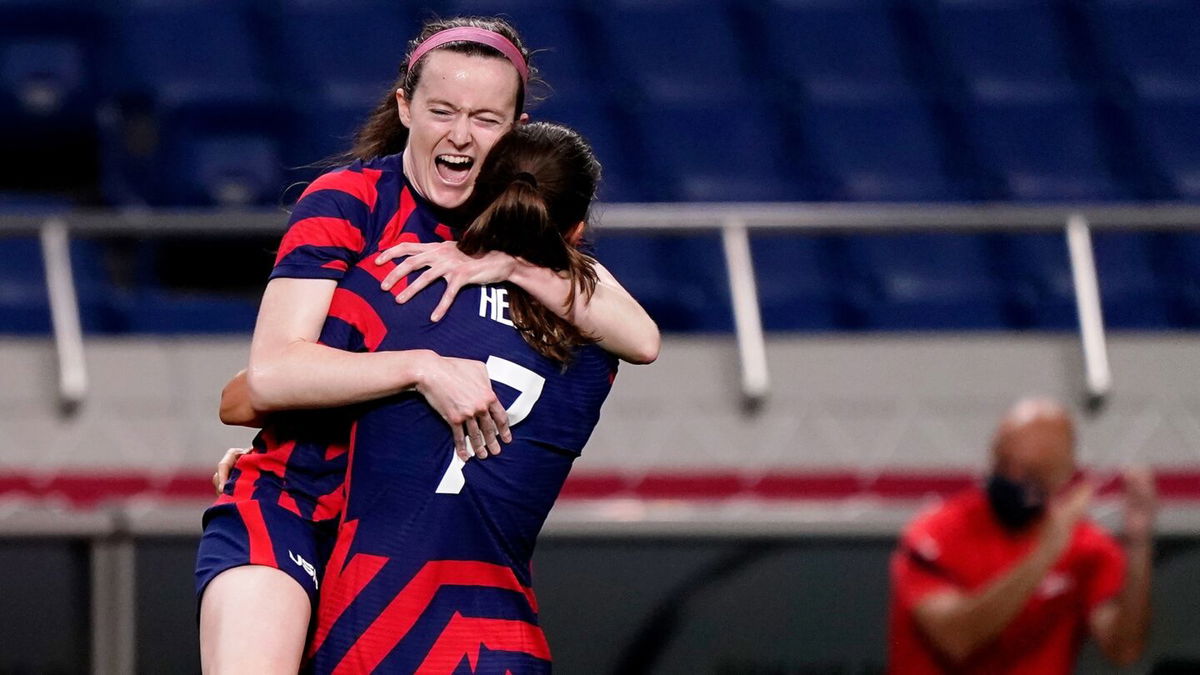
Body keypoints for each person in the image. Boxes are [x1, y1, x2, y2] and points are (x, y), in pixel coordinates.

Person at [195, 17, 659, 674]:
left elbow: (642, 336)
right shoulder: (351, 202)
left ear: (517, 127)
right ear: (405, 104)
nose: (462, 134)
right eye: (442, 109)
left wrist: (513, 266)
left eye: (487, 118)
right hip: (292, 504)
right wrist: (421, 368)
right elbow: (263, 381)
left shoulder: (521, 234)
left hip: (404, 529)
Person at [309, 120, 614, 673]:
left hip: (371, 631)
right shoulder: (596, 353)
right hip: (504, 646)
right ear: (577, 229)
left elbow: (253, 395)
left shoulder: (393, 285)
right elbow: (633, 328)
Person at [887, 397, 1156, 674]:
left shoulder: (1088, 547)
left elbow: (1124, 650)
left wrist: (1138, 546)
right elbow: (957, 638)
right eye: (1004, 464)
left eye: (1029, 472)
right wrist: (1044, 556)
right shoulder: (936, 534)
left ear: (1062, 475)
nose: (1013, 478)